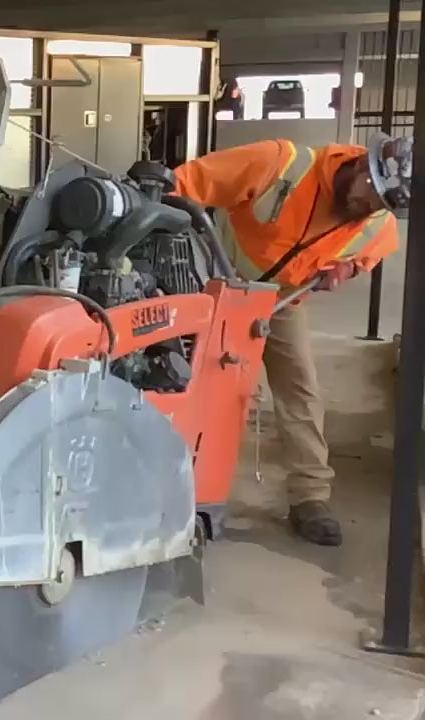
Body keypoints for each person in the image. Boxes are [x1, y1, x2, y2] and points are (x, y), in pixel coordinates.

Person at [173, 132, 413, 547]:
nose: (367, 208)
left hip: (283, 301)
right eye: (369, 193)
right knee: (196, 385)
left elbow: (371, 252)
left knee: (301, 390)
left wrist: (346, 269)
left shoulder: (378, 223)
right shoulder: (280, 164)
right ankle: (179, 484)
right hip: (218, 287)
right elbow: (186, 184)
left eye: (380, 205)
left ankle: (310, 497)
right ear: (360, 164)